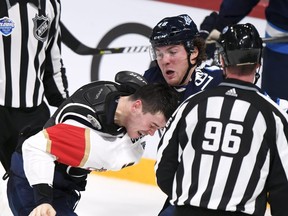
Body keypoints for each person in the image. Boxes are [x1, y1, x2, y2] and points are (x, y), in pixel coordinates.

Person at [155, 23, 288, 216]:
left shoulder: (191, 105)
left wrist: (188, 199)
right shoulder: (273, 116)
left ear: (222, 61)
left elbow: (163, 168)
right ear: (259, 63)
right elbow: (283, 186)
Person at [7, 71, 179, 216]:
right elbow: (35, 147)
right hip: (32, 179)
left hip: (67, 183)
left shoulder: (134, 99)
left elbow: (127, 78)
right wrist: (43, 199)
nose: (151, 133)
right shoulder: (80, 122)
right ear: (136, 106)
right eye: (152, 126)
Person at [0, 0, 69, 179]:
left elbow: (53, 61)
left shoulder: (51, 4)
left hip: (30, 115)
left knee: (31, 186)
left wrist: (65, 104)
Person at [200, 0, 288, 100]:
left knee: (274, 106)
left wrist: (220, 24)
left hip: (280, 48)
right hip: (280, 47)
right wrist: (220, 24)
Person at [144, 14, 223, 104]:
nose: (165, 61)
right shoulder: (150, 80)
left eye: (173, 52)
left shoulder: (217, 81)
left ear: (193, 52)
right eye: (159, 54)